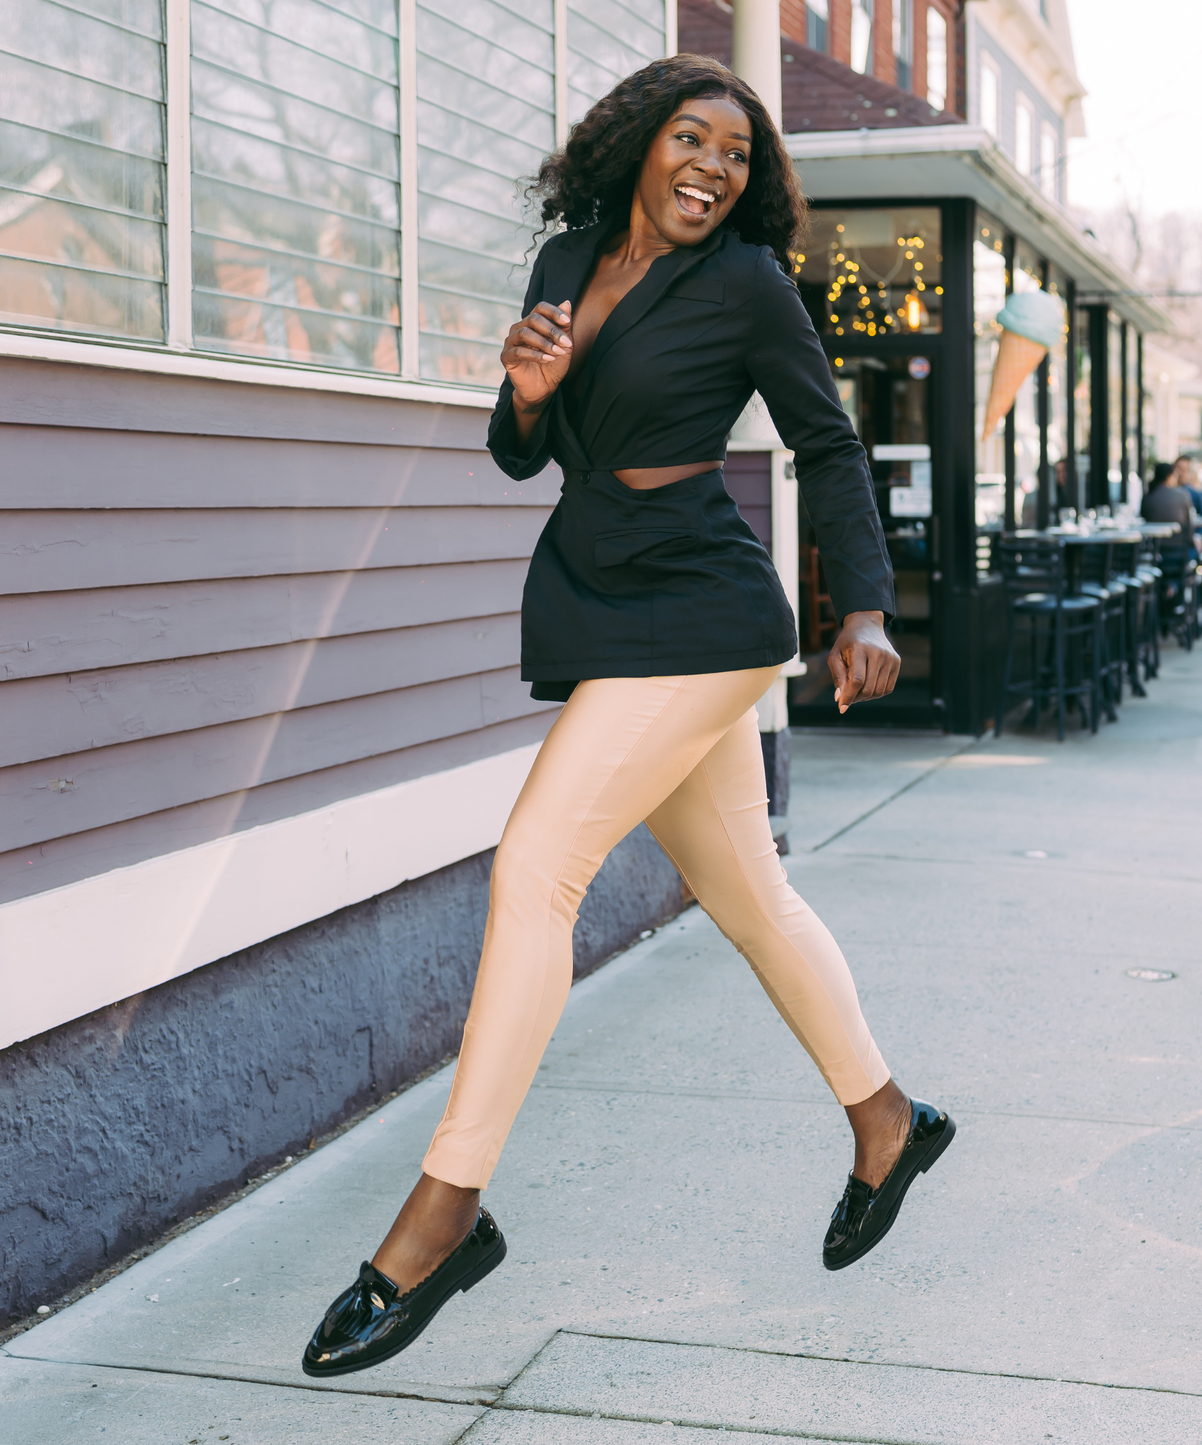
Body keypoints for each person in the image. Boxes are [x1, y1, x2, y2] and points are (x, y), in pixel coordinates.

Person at [301, 55, 955, 1379]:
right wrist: (527, 394)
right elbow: (520, 451)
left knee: (536, 867)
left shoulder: (748, 288)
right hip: (604, 598)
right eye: (692, 139)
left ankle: (442, 1214)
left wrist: (866, 607)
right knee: (753, 897)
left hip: (705, 611)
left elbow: (825, 443)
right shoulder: (566, 258)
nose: (714, 164)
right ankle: (888, 1120)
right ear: (637, 144)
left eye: (737, 151)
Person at [1142, 461, 1195, 553]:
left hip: (1153, 550)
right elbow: (1189, 524)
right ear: (1168, 476)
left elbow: (1144, 519)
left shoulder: (1148, 496)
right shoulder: (1182, 495)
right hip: (1178, 548)